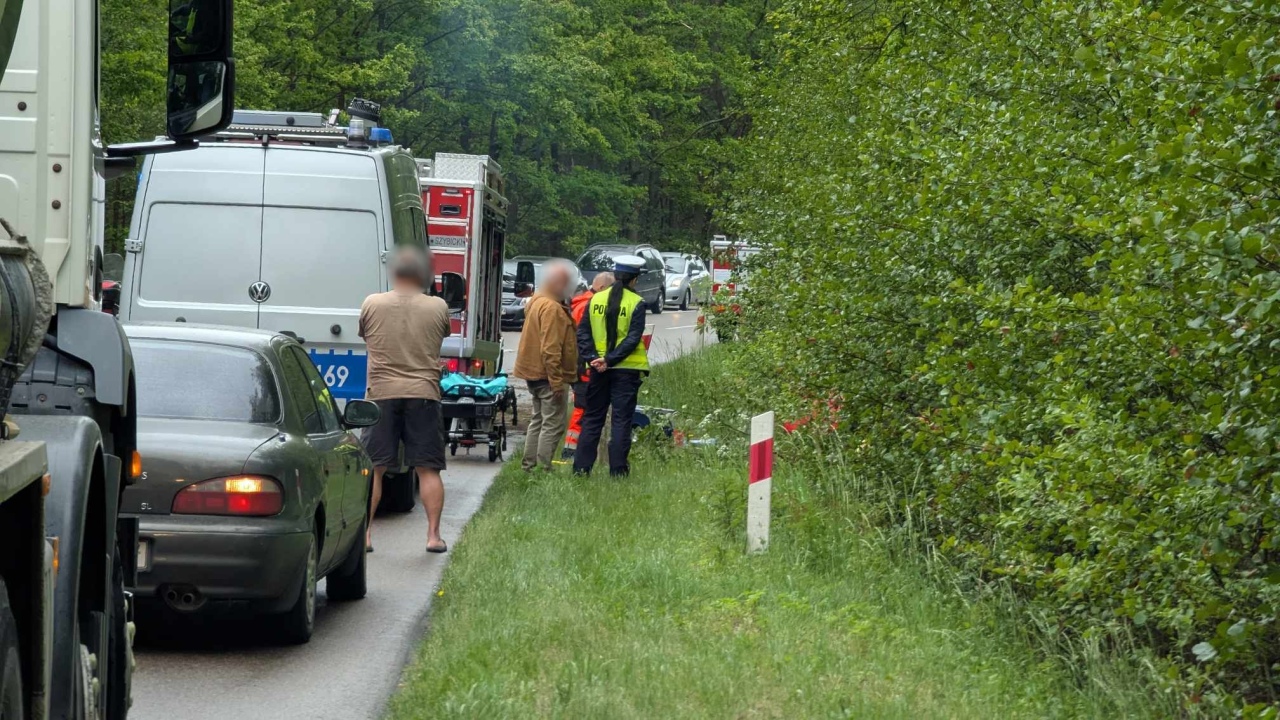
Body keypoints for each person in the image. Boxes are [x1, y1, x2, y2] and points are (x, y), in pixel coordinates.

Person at [359, 246, 451, 553]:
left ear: (395, 272)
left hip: (381, 394)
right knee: (428, 469)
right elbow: (441, 338)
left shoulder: (372, 303)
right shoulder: (438, 306)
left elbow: (367, 336)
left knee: (374, 468)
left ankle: (366, 535)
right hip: (423, 393)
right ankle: (433, 536)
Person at [573, 256, 650, 477]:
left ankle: (581, 469)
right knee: (621, 420)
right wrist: (610, 359)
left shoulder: (595, 300)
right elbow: (633, 339)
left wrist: (594, 359)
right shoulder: (637, 303)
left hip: (598, 371)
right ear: (634, 280)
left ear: (615, 276)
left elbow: (583, 333)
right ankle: (617, 471)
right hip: (625, 371)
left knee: (592, 418)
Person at [513, 261, 579, 471]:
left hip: (533, 372)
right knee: (552, 423)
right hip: (546, 374)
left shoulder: (537, 301)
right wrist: (557, 381)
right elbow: (550, 349)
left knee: (538, 420)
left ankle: (529, 466)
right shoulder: (552, 308)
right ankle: (542, 468)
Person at [563, 272, 614, 460]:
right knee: (583, 409)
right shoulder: (590, 305)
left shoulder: (582, 303)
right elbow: (585, 339)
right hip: (585, 367)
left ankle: (574, 449)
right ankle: (571, 452)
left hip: (582, 365)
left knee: (583, 408)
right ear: (602, 289)